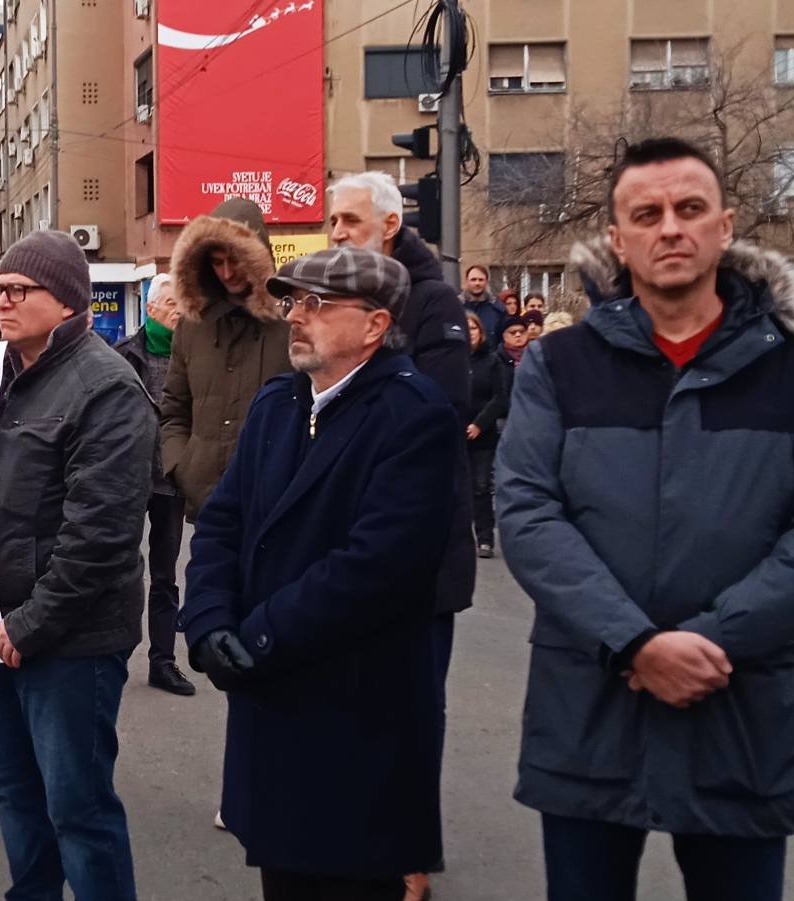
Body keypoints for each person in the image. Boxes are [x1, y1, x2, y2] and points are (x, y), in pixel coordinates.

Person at [496, 137, 794, 901]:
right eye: (648, 214)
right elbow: (528, 513)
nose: (671, 228)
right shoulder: (561, 366)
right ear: (619, 238)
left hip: (736, 700)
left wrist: (710, 639)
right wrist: (632, 641)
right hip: (590, 706)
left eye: (690, 209)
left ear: (725, 226)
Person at [179, 246, 457, 901]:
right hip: (274, 706)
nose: (296, 316)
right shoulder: (279, 403)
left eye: (316, 303)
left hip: (356, 713)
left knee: (349, 880)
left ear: (374, 326)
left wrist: (261, 637)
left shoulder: (413, 414)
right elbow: (223, 521)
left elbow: (376, 568)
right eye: (293, 301)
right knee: (284, 877)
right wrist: (210, 621)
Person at [0, 230, 153, 901]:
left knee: (78, 810)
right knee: (13, 790)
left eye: (17, 290)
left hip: (70, 640)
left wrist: (31, 623)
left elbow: (101, 534)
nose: (0, 300)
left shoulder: (107, 387)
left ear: (65, 302)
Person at [328, 170, 475, 899]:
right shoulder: (346, 299)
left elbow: (438, 419)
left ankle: (412, 856)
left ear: (387, 226)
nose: (335, 233)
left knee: (413, 707)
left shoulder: (434, 299)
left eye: (348, 221)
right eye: (331, 222)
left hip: (421, 555)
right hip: (350, 541)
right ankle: (363, 831)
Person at [161, 196, 292, 522]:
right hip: (208, 505)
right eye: (217, 262)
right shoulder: (192, 326)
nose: (227, 272)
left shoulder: (293, 321)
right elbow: (173, 409)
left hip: (279, 507)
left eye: (235, 259)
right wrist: (183, 467)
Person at [113, 274, 193, 697]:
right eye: (172, 303)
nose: (179, 309)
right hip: (128, 477)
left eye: (183, 303)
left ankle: (163, 661)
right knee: (119, 567)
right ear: (151, 309)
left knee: (165, 574)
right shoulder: (124, 355)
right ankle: (111, 656)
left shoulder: (194, 354)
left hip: (171, 480)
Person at [466, 315, 511, 559]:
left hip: (482, 436)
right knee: (458, 489)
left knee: (481, 488)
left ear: (481, 332)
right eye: (465, 328)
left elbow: (500, 398)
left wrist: (479, 424)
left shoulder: (492, 361)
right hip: (456, 433)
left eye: (473, 327)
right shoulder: (453, 360)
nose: (470, 332)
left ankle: (485, 539)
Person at [459, 264, 508, 345]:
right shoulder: (456, 307)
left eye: (481, 280)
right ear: (466, 281)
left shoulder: (498, 309)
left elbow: (503, 340)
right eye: (473, 280)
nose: (477, 283)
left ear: (486, 282)